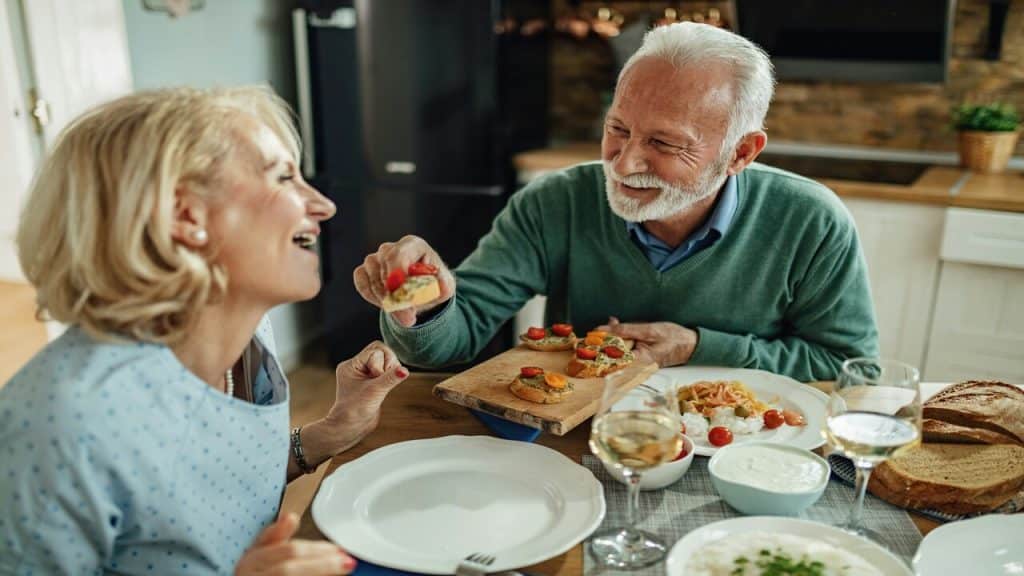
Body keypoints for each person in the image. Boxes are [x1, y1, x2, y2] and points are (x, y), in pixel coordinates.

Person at [0, 86, 409, 575]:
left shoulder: (253, 337)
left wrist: (328, 434)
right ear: (186, 216)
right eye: (284, 177)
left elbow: (206, 494)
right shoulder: (62, 421)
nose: (323, 205)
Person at [353, 22, 879, 383]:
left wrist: (698, 347)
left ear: (740, 152)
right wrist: (419, 305)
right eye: (618, 130)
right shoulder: (552, 203)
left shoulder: (811, 219)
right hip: (585, 436)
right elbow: (451, 341)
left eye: (665, 143)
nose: (624, 163)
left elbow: (850, 367)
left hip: (741, 446)